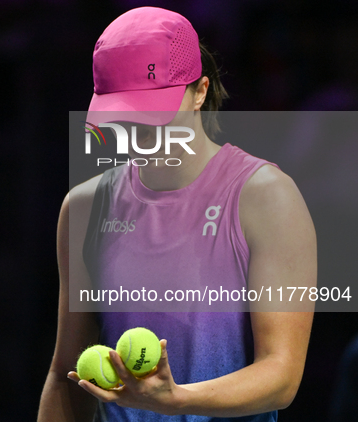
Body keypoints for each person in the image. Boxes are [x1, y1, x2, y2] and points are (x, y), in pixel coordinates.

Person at [38, 7, 316, 421]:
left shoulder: (268, 198)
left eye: (155, 108)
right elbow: (66, 376)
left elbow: (281, 375)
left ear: (200, 90)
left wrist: (177, 399)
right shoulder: (83, 207)